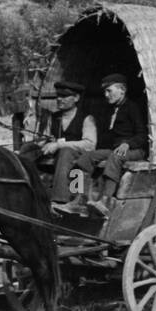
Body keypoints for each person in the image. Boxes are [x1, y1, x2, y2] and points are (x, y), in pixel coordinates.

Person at [69, 73, 149, 217]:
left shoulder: (132, 108)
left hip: (135, 150)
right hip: (115, 150)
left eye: (109, 91)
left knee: (115, 156)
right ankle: (78, 198)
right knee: (86, 158)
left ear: (122, 90)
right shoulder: (110, 109)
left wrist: (128, 144)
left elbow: (143, 135)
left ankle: (105, 201)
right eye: (105, 91)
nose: (106, 95)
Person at [23, 81, 99, 215]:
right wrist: (43, 142)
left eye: (64, 96)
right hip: (56, 155)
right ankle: (22, 192)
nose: (59, 99)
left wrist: (59, 144)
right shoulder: (54, 117)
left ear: (76, 98)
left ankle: (60, 201)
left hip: (77, 156)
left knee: (66, 151)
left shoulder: (86, 118)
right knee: (27, 149)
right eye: (58, 96)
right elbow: (46, 136)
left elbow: (90, 144)